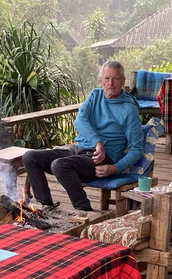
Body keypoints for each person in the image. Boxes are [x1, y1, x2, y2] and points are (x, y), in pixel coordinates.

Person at [23, 61, 144, 211]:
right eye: (106, 78)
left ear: (123, 81)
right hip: (78, 150)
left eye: (115, 79)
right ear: (101, 81)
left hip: (100, 160)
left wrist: (115, 168)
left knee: (60, 165)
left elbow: (137, 148)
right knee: (30, 157)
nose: (110, 83)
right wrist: (98, 142)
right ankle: (46, 206)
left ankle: (85, 210)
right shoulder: (95, 95)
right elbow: (79, 120)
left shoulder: (129, 109)